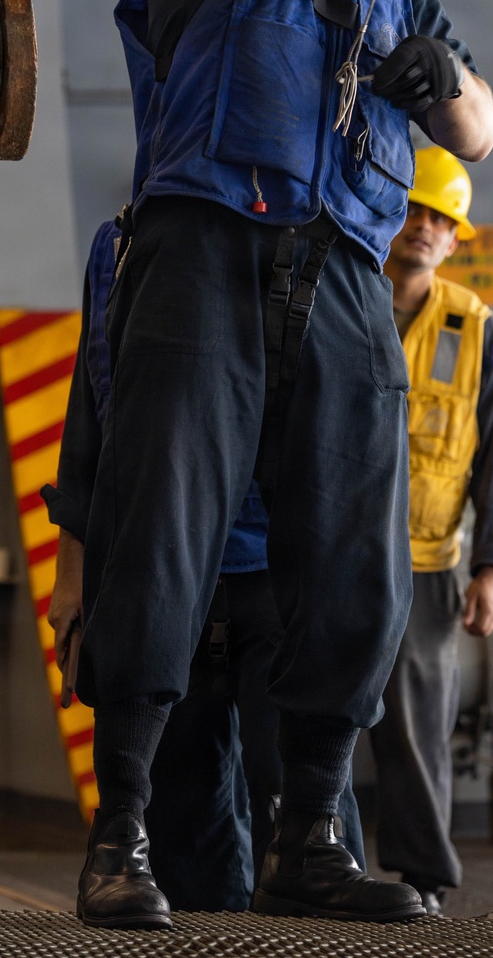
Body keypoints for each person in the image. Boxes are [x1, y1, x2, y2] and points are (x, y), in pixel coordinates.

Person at [45, 0, 493, 929]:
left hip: (340, 268)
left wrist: (439, 80)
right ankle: (120, 838)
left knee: (353, 559)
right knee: (161, 532)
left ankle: (309, 841)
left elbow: (477, 132)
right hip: (204, 240)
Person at [45, 217, 365, 912]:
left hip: (277, 575)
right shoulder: (122, 246)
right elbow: (96, 411)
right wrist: (73, 573)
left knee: (303, 812)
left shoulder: (320, 238)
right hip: (162, 574)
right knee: (183, 838)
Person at [370, 147, 493, 914]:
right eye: (415, 210)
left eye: (441, 218)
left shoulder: (474, 327)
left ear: (456, 238)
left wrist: (492, 567)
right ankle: (301, 861)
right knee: (305, 713)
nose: (424, 227)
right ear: (387, 210)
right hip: (333, 555)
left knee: (419, 727)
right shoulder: (341, 297)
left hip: (428, 564)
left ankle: (424, 877)